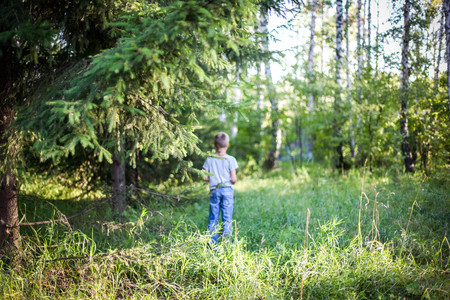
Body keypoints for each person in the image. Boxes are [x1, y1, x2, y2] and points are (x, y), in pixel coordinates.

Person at [203, 132, 238, 244]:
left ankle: (212, 244)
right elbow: (233, 179)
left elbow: (204, 177)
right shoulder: (231, 159)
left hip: (214, 190)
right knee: (227, 218)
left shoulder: (210, 159)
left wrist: (213, 178)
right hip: (227, 190)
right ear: (227, 145)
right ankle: (226, 243)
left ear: (214, 145)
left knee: (213, 217)